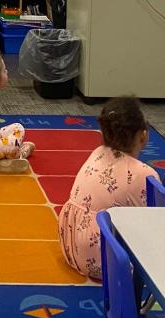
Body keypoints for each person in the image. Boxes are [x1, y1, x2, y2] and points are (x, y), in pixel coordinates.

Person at [58, 97, 155, 280]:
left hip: (69, 241)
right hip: (98, 255)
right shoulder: (144, 173)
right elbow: (153, 222)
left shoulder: (97, 153)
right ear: (143, 135)